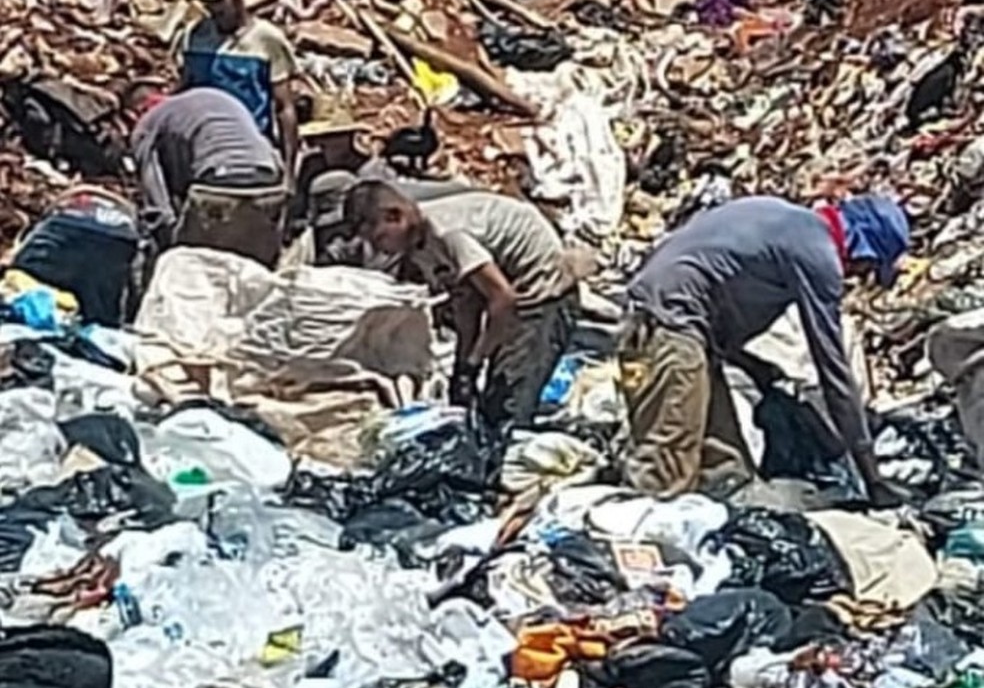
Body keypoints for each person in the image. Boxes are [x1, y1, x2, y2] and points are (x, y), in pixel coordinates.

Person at [619, 192, 910, 506]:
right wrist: (872, 477)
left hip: (677, 327)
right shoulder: (818, 256)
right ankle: (626, 543)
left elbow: (716, 272)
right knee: (666, 472)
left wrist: (756, 368)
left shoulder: (781, 215)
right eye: (864, 268)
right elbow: (834, 375)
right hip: (669, 332)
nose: (856, 276)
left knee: (725, 472)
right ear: (861, 252)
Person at [343, 181, 580, 425]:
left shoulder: (447, 233)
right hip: (510, 295)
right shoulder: (419, 248)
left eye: (379, 238)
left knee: (509, 405)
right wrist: (462, 366)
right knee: (484, 405)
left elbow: (502, 299)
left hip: (543, 294)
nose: (380, 249)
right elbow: (467, 302)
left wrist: (477, 358)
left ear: (395, 216)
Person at [126, 83, 287, 267]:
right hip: (269, 179)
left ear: (134, 114)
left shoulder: (146, 124)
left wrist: (168, 243)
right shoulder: (214, 96)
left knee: (195, 266)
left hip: (216, 181)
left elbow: (156, 202)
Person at [176, 0, 298, 172]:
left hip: (252, 148)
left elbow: (284, 107)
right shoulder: (195, 36)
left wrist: (289, 168)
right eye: (208, 3)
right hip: (202, 148)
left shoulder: (266, 39)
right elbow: (186, 90)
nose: (213, 10)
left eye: (218, 1)